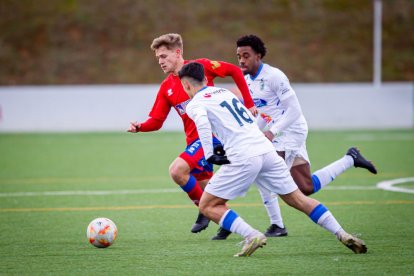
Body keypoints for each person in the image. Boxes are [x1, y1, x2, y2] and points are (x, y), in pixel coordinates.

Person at [178, 61, 367, 257]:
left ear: (186, 85)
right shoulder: (225, 93)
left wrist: (209, 153)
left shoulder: (195, 104)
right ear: (205, 79)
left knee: (207, 205)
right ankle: (342, 233)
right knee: (298, 199)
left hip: (243, 156)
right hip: (265, 149)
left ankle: (252, 235)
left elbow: (202, 123)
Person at [211, 34, 378, 240]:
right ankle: (350, 158)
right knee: (305, 188)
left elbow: (294, 110)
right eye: (238, 56)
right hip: (278, 132)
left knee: (264, 167)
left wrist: (271, 133)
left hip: (291, 130)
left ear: (259, 56)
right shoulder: (246, 81)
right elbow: (263, 112)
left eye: (246, 55)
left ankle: (276, 224)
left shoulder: (274, 76)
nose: (241, 60)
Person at [127, 33, 257, 233]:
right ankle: (225, 223)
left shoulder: (201, 67)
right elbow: (157, 121)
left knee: (177, 170)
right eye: (158, 58)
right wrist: (140, 127)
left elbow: (233, 70)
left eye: (163, 56)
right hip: (194, 143)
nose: (160, 62)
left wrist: (249, 103)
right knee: (210, 193)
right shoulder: (166, 87)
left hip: (214, 138)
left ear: (177, 52)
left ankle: (205, 213)